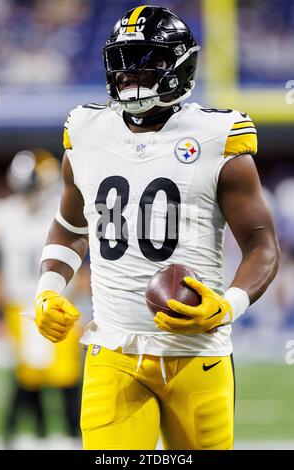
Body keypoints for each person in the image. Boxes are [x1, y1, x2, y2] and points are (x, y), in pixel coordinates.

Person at [34, 6, 280, 450]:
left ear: (181, 65)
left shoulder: (217, 135)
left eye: (148, 59)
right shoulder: (86, 131)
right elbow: (70, 226)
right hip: (113, 350)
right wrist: (48, 289)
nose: (131, 74)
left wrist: (228, 306)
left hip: (196, 355)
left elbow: (262, 245)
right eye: (123, 61)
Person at [0, 149, 82, 447]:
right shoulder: (5, 215)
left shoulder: (59, 214)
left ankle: (71, 434)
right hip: (21, 304)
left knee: (65, 376)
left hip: (57, 301)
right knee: (29, 375)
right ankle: (24, 434)